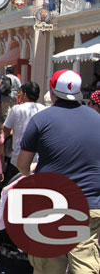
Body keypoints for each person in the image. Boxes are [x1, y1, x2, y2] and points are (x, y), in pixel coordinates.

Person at [17, 70, 100, 274]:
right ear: (80, 92)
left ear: (52, 92)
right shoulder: (97, 119)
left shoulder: (40, 120)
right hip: (90, 207)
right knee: (86, 268)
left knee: (48, 268)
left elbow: (22, 165)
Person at [2, 81, 45, 184]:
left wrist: (10, 137)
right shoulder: (44, 110)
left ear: (25, 94)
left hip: (17, 158)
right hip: (37, 161)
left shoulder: (16, 109)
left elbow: (6, 129)